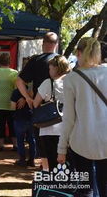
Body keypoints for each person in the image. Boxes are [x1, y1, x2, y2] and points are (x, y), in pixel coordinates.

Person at [57, 37, 107, 197]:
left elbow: (69, 118)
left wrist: (61, 148)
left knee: (85, 189)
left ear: (78, 53)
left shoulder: (71, 79)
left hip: (81, 142)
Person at [16, 32, 59, 170]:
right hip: (62, 110)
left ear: (43, 44)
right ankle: (56, 173)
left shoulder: (35, 60)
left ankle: (45, 169)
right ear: (56, 45)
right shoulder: (63, 60)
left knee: (42, 141)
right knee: (60, 143)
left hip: (40, 107)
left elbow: (19, 80)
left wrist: (28, 98)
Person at [32, 55, 70, 171]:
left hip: (49, 128)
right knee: (68, 162)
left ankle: (54, 185)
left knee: (53, 161)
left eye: (50, 68)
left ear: (56, 68)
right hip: (69, 127)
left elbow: (35, 103)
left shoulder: (48, 83)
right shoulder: (73, 82)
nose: (49, 71)